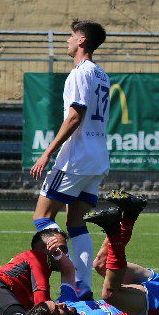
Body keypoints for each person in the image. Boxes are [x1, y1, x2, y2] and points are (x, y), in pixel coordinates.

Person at [24, 190, 159, 315]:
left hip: (151, 284)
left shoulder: (69, 305)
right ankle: (113, 229)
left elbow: (68, 271)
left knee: (100, 265)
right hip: (157, 309)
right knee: (109, 294)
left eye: (56, 303)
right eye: (57, 309)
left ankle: (129, 214)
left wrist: (57, 254)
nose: (61, 303)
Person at [30, 20, 110, 300]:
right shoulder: (101, 75)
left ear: (82, 40)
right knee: (76, 223)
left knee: (42, 217)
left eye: (71, 36)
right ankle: (84, 289)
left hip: (76, 157)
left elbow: (75, 115)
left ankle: (66, 273)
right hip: (97, 158)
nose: (67, 40)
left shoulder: (79, 73)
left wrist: (48, 151)